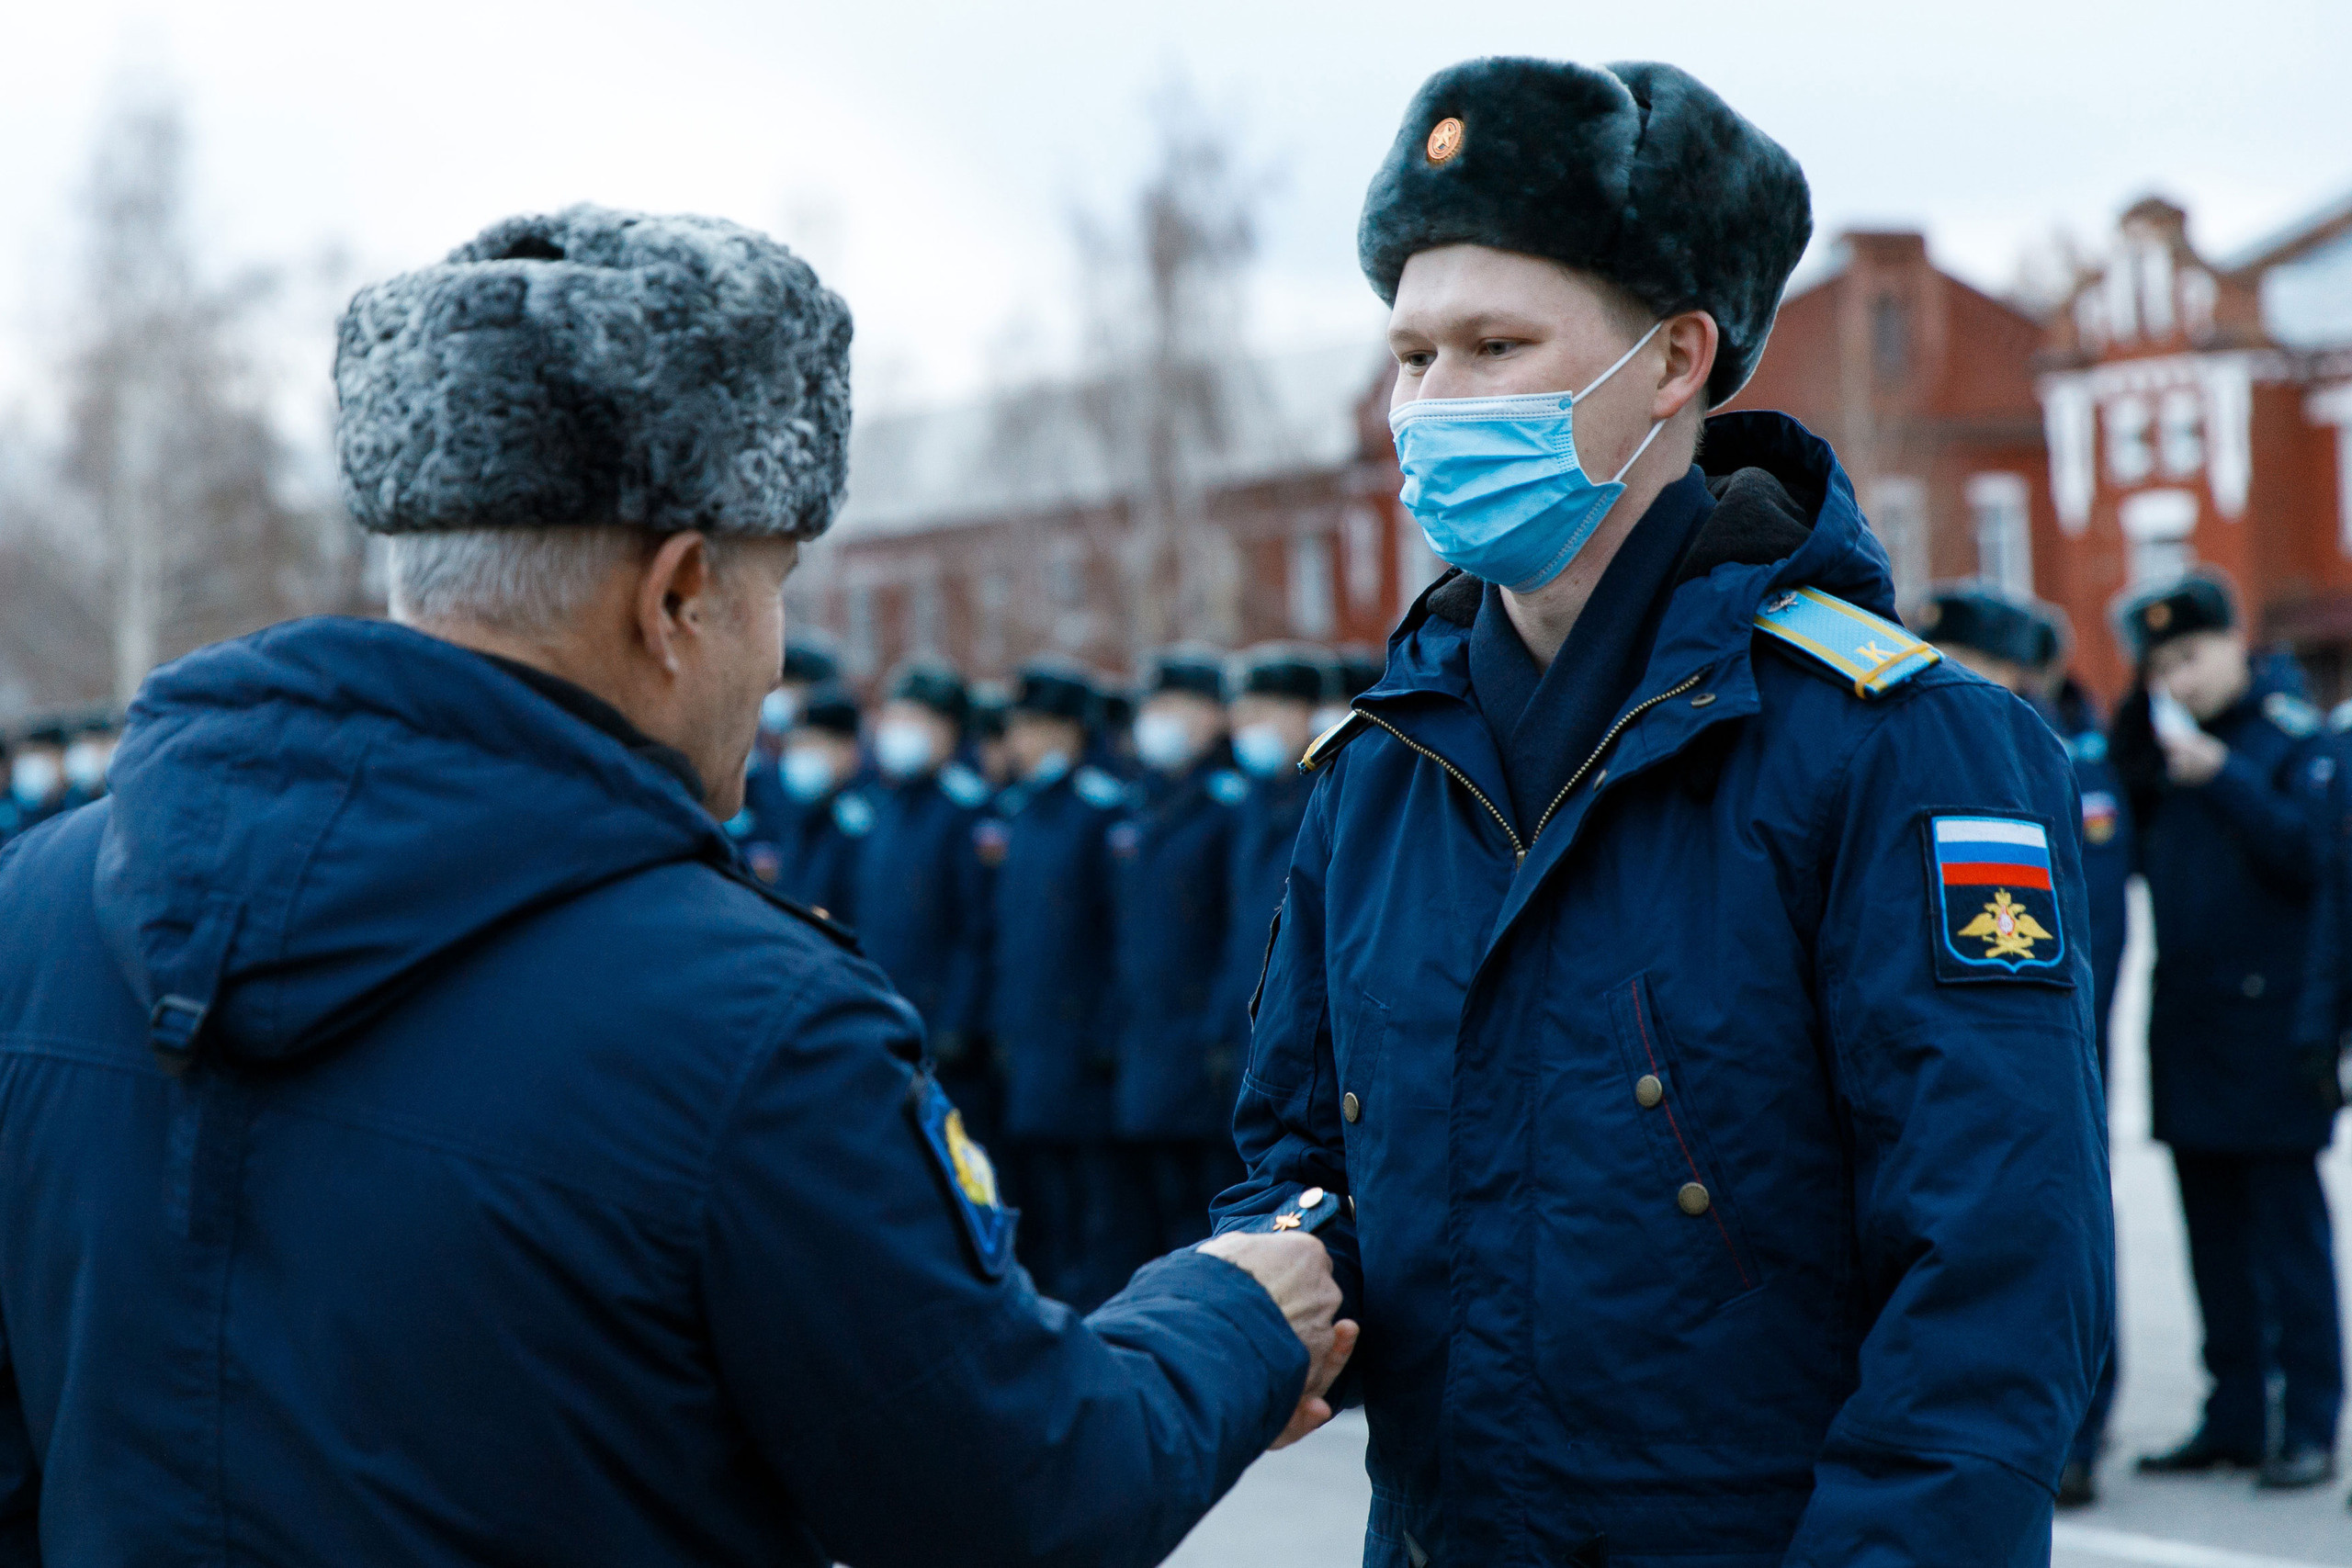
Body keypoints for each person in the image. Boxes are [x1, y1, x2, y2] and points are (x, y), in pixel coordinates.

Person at [0, 204, 1354, 1566]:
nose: (779, 662)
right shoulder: (754, 1021)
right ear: (679, 596)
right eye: (776, 590)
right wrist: (1232, 1317)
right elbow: (1017, 1496)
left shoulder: (39, 908)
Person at [1216, 59, 2109, 1566]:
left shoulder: (1899, 748)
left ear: (1676, 358)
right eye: (1410, 354)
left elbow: (1992, 1284)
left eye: (1495, 345)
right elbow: (1301, 1139)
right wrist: (1258, 1300)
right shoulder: (1384, 765)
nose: (1430, 407)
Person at [2109, 570, 2343, 1493]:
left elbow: (2307, 856)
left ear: (2234, 645)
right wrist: (2153, 718)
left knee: (2287, 1242)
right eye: (2160, 663)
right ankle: (2235, 1414)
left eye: (2192, 655)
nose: (2180, 678)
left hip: (2273, 1029)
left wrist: (2227, 779)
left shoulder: (2287, 739)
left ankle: (2311, 1421)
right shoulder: (2162, 746)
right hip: (2191, 1027)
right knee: (2210, 1237)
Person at [1918, 583, 2134, 1506]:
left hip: (2051, 1035)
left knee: (2054, 1223)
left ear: (2010, 672)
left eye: (1964, 665)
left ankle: (2076, 1431)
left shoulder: (2054, 759)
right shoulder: (1932, 748)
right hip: (1956, 1049)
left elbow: (2096, 924)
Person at [986, 660, 1129, 1309]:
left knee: (1095, 1201)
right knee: (1040, 1196)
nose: (1023, 742)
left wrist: (1104, 1030)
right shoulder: (1019, 813)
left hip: (1081, 1041)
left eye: (1038, 727)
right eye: (1019, 728)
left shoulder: (1099, 812)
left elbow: (1117, 933)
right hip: (1029, 1036)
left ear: (1071, 732)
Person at [1110, 649, 1248, 1270]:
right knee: (1153, 1211)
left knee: (1210, 1210)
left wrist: (1219, 1025)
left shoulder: (1230, 808)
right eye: (1155, 707)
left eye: (1178, 707)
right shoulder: (1139, 803)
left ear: (1214, 717)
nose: (1161, 721)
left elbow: (1240, 930)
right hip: (1146, 1038)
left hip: (1206, 1042)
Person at [854, 660, 1001, 1143]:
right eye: (896, 718)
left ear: (951, 731)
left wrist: (958, 1021)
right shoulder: (883, 806)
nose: (901, 733)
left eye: (918, 721)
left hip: (944, 1034)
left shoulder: (966, 810)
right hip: (885, 1024)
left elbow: (979, 930)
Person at [1216, 645, 1332, 1078]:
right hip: (1247, 1024)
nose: (1248, 730)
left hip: (1309, 1031)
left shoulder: (1332, 795)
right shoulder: (1248, 803)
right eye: (1241, 716)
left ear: (1304, 714)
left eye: (1261, 714)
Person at [764, 681, 867, 917]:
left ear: (848, 751)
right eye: (796, 745)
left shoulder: (863, 823)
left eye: (814, 744)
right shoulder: (791, 814)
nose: (801, 756)